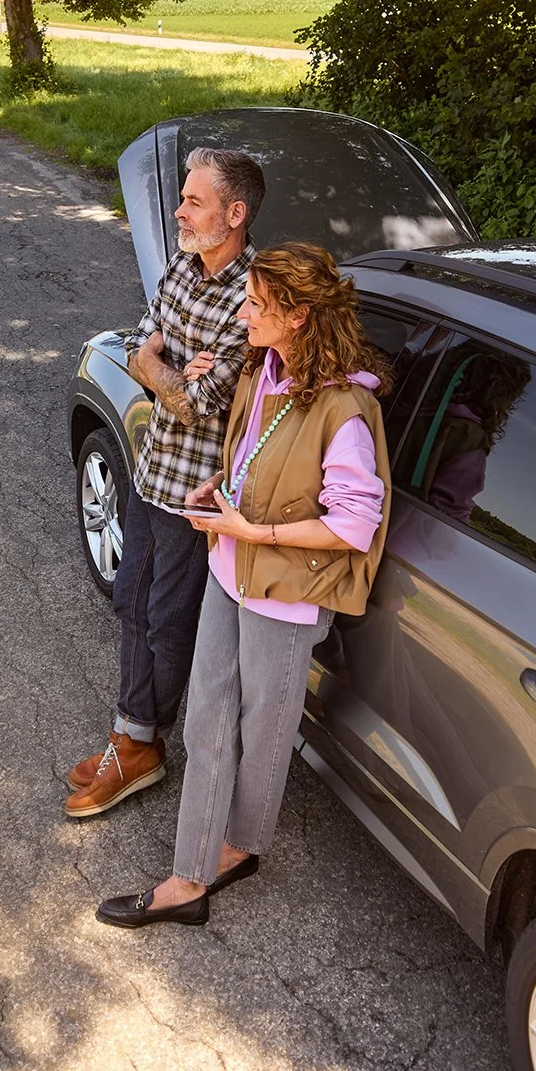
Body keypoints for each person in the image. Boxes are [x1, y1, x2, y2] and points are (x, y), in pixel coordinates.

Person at [95, 243, 392, 927]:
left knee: (263, 733)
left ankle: (239, 847)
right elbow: (252, 457)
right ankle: (188, 875)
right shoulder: (265, 369)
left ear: (298, 314)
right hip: (230, 572)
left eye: (258, 304)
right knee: (206, 722)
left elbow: (353, 523)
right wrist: (220, 486)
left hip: (284, 596)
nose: (245, 312)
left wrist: (256, 532)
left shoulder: (343, 410)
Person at [64, 147, 268, 817]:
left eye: (195, 201)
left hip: (196, 494)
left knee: (167, 619)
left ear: (234, 214)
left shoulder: (253, 296)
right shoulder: (185, 263)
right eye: (182, 197)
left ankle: (143, 748)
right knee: (130, 598)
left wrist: (167, 368)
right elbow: (141, 347)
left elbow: (205, 400)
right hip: (154, 470)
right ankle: (128, 733)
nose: (179, 211)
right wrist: (171, 368)